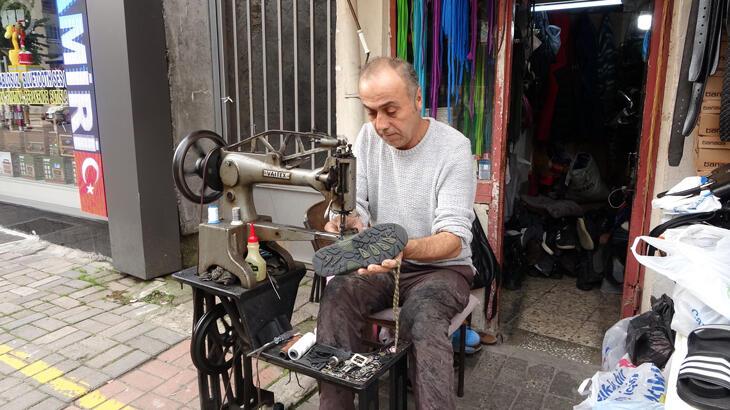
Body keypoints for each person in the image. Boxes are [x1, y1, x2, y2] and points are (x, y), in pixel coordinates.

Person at [316, 56, 476, 410]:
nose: (381, 124)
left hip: (442, 270)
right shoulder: (367, 139)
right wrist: (347, 220)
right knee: (338, 295)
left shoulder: (453, 149)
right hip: (385, 263)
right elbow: (357, 204)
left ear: (418, 100)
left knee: (421, 318)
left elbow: (453, 237)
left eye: (390, 110)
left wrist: (401, 249)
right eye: (371, 113)